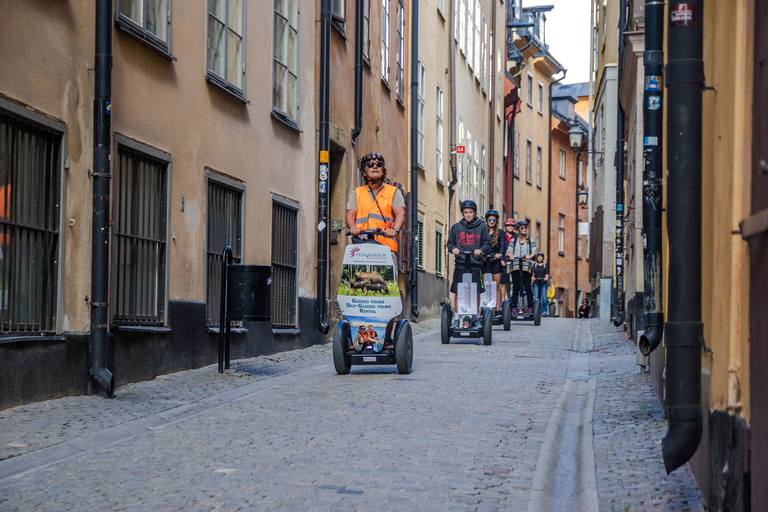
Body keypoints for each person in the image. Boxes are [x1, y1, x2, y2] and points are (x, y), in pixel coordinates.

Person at [345, 152, 406, 279]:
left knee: (387, 284)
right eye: (370, 164)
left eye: (378, 164)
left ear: (383, 171)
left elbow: (400, 213)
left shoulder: (393, 191)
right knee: (358, 282)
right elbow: (350, 214)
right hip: (361, 246)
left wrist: (394, 229)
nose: (375, 166)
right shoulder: (357, 193)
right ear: (363, 172)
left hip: (386, 247)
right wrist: (352, 227)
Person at [446, 200, 491, 325]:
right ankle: (456, 317)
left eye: (470, 212)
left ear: (475, 213)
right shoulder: (456, 227)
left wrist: (480, 250)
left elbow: (487, 243)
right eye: (465, 212)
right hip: (461, 264)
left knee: (476, 291)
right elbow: (450, 243)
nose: (468, 215)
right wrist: (453, 249)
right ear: (462, 213)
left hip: (476, 264)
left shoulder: (481, 227)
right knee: (458, 291)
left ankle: (475, 317)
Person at [506, 220, 536, 313]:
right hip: (515, 266)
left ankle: (530, 306)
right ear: (518, 229)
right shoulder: (514, 240)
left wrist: (529, 256)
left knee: (527, 287)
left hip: (526, 267)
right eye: (522, 228)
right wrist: (511, 255)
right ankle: (514, 306)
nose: (524, 229)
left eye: (525, 227)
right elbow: (509, 251)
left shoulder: (530, 241)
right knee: (515, 287)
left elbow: (534, 251)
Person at [483, 209, 507, 317]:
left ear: (496, 221)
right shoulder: (483, 231)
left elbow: (502, 245)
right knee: (483, 286)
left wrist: (500, 254)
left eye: (494, 219)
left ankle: (497, 310)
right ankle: (483, 309)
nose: (492, 221)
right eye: (490, 219)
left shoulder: (500, 233)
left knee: (496, 286)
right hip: (484, 261)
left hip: (495, 261)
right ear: (487, 220)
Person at [499, 218, 516, 301]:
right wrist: (501, 259)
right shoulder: (502, 235)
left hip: (514, 262)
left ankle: (514, 302)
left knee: (515, 283)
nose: (510, 227)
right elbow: (500, 248)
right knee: (504, 283)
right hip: (504, 262)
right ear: (505, 226)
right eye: (508, 225)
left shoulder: (516, 236)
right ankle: (503, 301)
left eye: (512, 225)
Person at [531, 252, 550, 317]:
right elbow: (532, 273)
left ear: (542, 258)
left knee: (544, 297)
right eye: (538, 257)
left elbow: (547, 274)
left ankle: (544, 311)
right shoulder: (535, 265)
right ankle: (535, 310)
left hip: (543, 283)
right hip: (536, 282)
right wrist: (533, 278)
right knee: (535, 297)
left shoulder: (545, 265)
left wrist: (546, 278)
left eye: (541, 257)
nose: (539, 258)